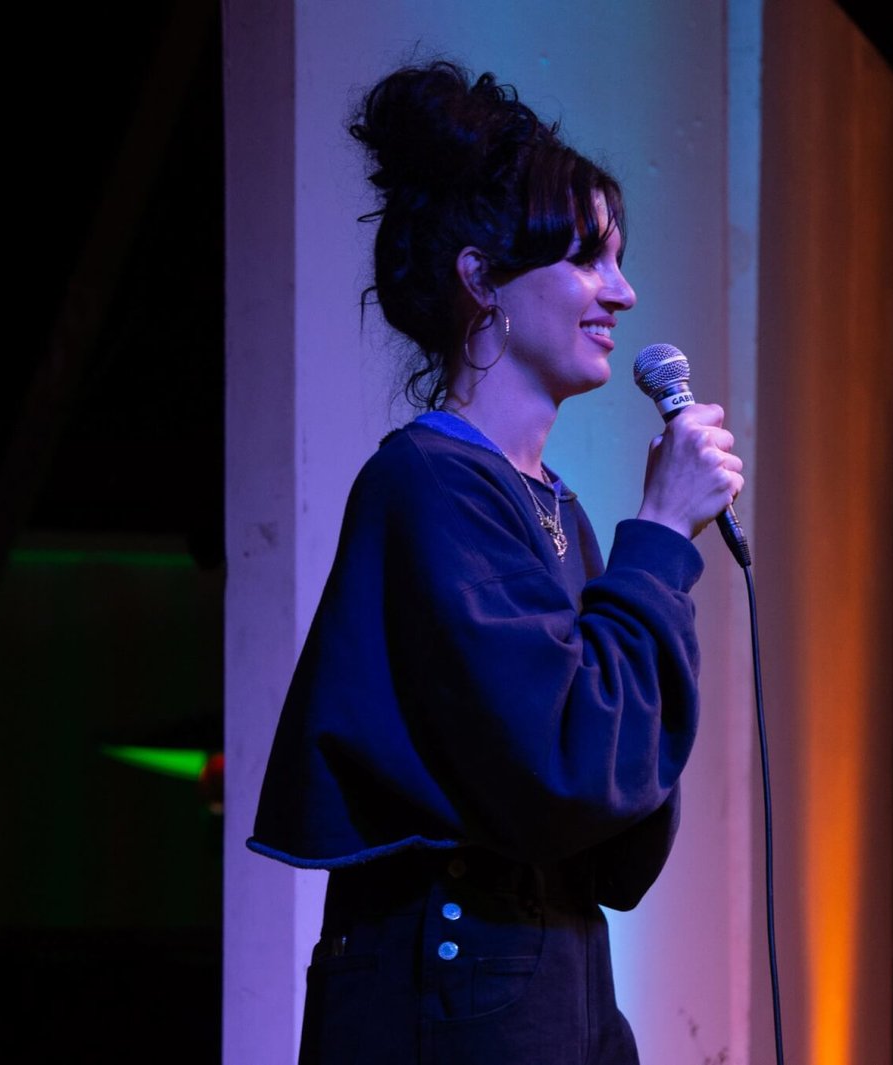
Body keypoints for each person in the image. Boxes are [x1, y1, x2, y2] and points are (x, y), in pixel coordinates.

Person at [248, 60, 744, 1064]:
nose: (623, 293)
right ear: (481, 280)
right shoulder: (427, 485)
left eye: (619, 261)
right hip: (459, 986)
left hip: (557, 976)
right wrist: (657, 534)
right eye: (589, 260)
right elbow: (565, 764)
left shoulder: (554, 508)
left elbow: (616, 814)